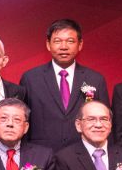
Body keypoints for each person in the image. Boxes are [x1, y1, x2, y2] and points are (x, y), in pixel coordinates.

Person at [18, 19, 109, 151]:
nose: (63, 47)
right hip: (41, 152)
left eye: (70, 41)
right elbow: (22, 119)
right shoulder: (30, 78)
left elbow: (105, 121)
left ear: (80, 44)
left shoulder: (95, 79)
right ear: (48, 44)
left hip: (83, 152)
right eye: (57, 41)